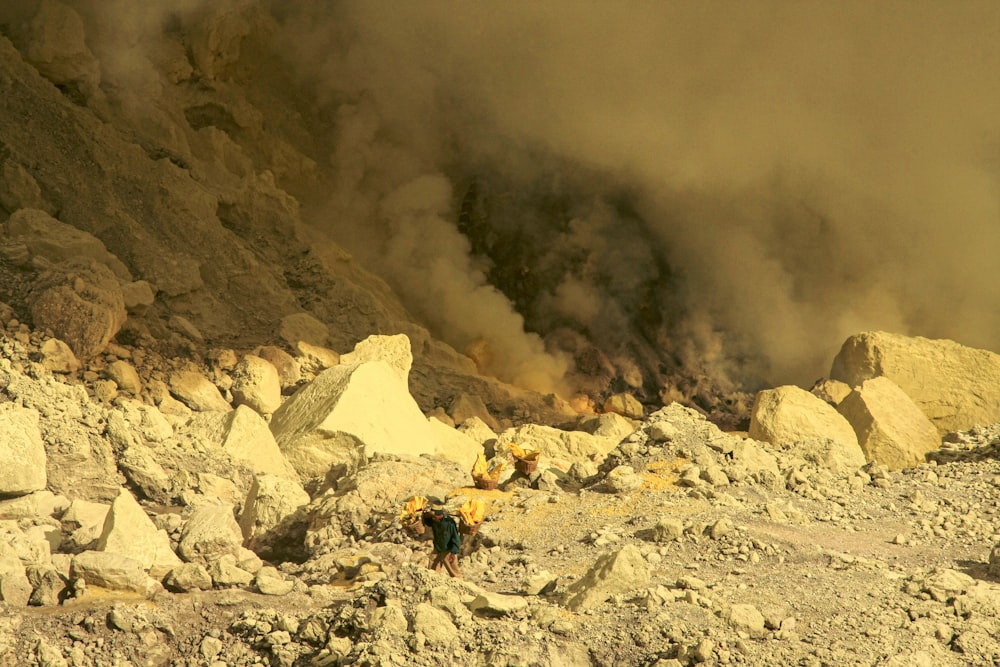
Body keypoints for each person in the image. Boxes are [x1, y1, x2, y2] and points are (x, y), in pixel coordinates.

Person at [421, 502, 462, 577]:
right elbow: (428, 523)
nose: (433, 517)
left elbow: (456, 538)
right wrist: (425, 516)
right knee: (432, 565)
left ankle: (460, 583)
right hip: (438, 548)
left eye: (434, 515)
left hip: (448, 550)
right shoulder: (433, 520)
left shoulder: (449, 523)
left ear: (439, 515)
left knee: (454, 571)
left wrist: (453, 553)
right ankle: (434, 580)